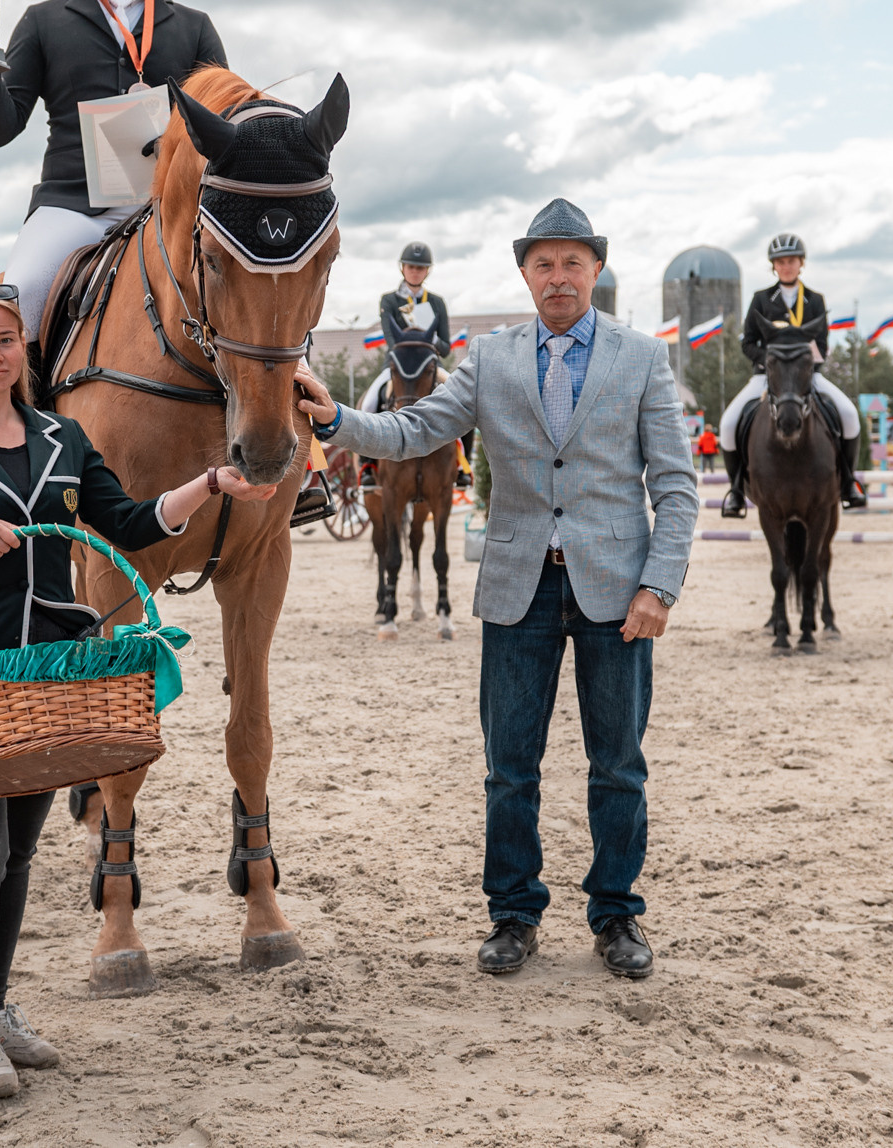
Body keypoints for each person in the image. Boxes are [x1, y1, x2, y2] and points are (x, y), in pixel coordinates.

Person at [0, 284, 275, 1100]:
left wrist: (209, 484)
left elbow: (127, 522)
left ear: (22, 351)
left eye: (5, 341)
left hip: (49, 670)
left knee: (20, 853)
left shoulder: (62, 436)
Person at [294, 198, 698, 980]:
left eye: (572, 262)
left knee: (619, 764)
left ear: (596, 269)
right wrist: (337, 418)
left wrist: (661, 585)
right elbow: (415, 430)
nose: (559, 277)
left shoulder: (644, 357)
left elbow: (676, 487)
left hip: (618, 591)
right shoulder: (490, 357)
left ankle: (617, 914)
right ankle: (513, 914)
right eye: (544, 264)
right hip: (519, 587)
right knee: (510, 767)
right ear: (525, 273)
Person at [0, 0, 226, 349]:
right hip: (72, 208)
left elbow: (219, 128)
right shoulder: (43, 21)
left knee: (256, 286)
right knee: (17, 306)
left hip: (169, 206)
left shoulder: (195, 27)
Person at [717, 233, 865, 518]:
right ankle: (736, 490)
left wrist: (801, 363)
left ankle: (848, 482)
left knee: (849, 414)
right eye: (781, 262)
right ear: (774, 266)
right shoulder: (761, 299)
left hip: (808, 377)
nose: (786, 267)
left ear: (801, 263)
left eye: (792, 261)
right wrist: (772, 361)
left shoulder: (815, 300)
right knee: (727, 423)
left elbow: (822, 345)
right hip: (766, 377)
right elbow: (748, 343)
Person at [356, 242, 473, 485]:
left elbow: (445, 347)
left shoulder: (437, 302)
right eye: (411, 267)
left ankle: (463, 466)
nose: (415, 272)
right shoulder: (389, 300)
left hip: (429, 367)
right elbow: (391, 340)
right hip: (398, 367)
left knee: (464, 401)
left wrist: (429, 337)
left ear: (427, 271)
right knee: (368, 403)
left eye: (420, 268)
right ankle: (368, 465)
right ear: (403, 268)